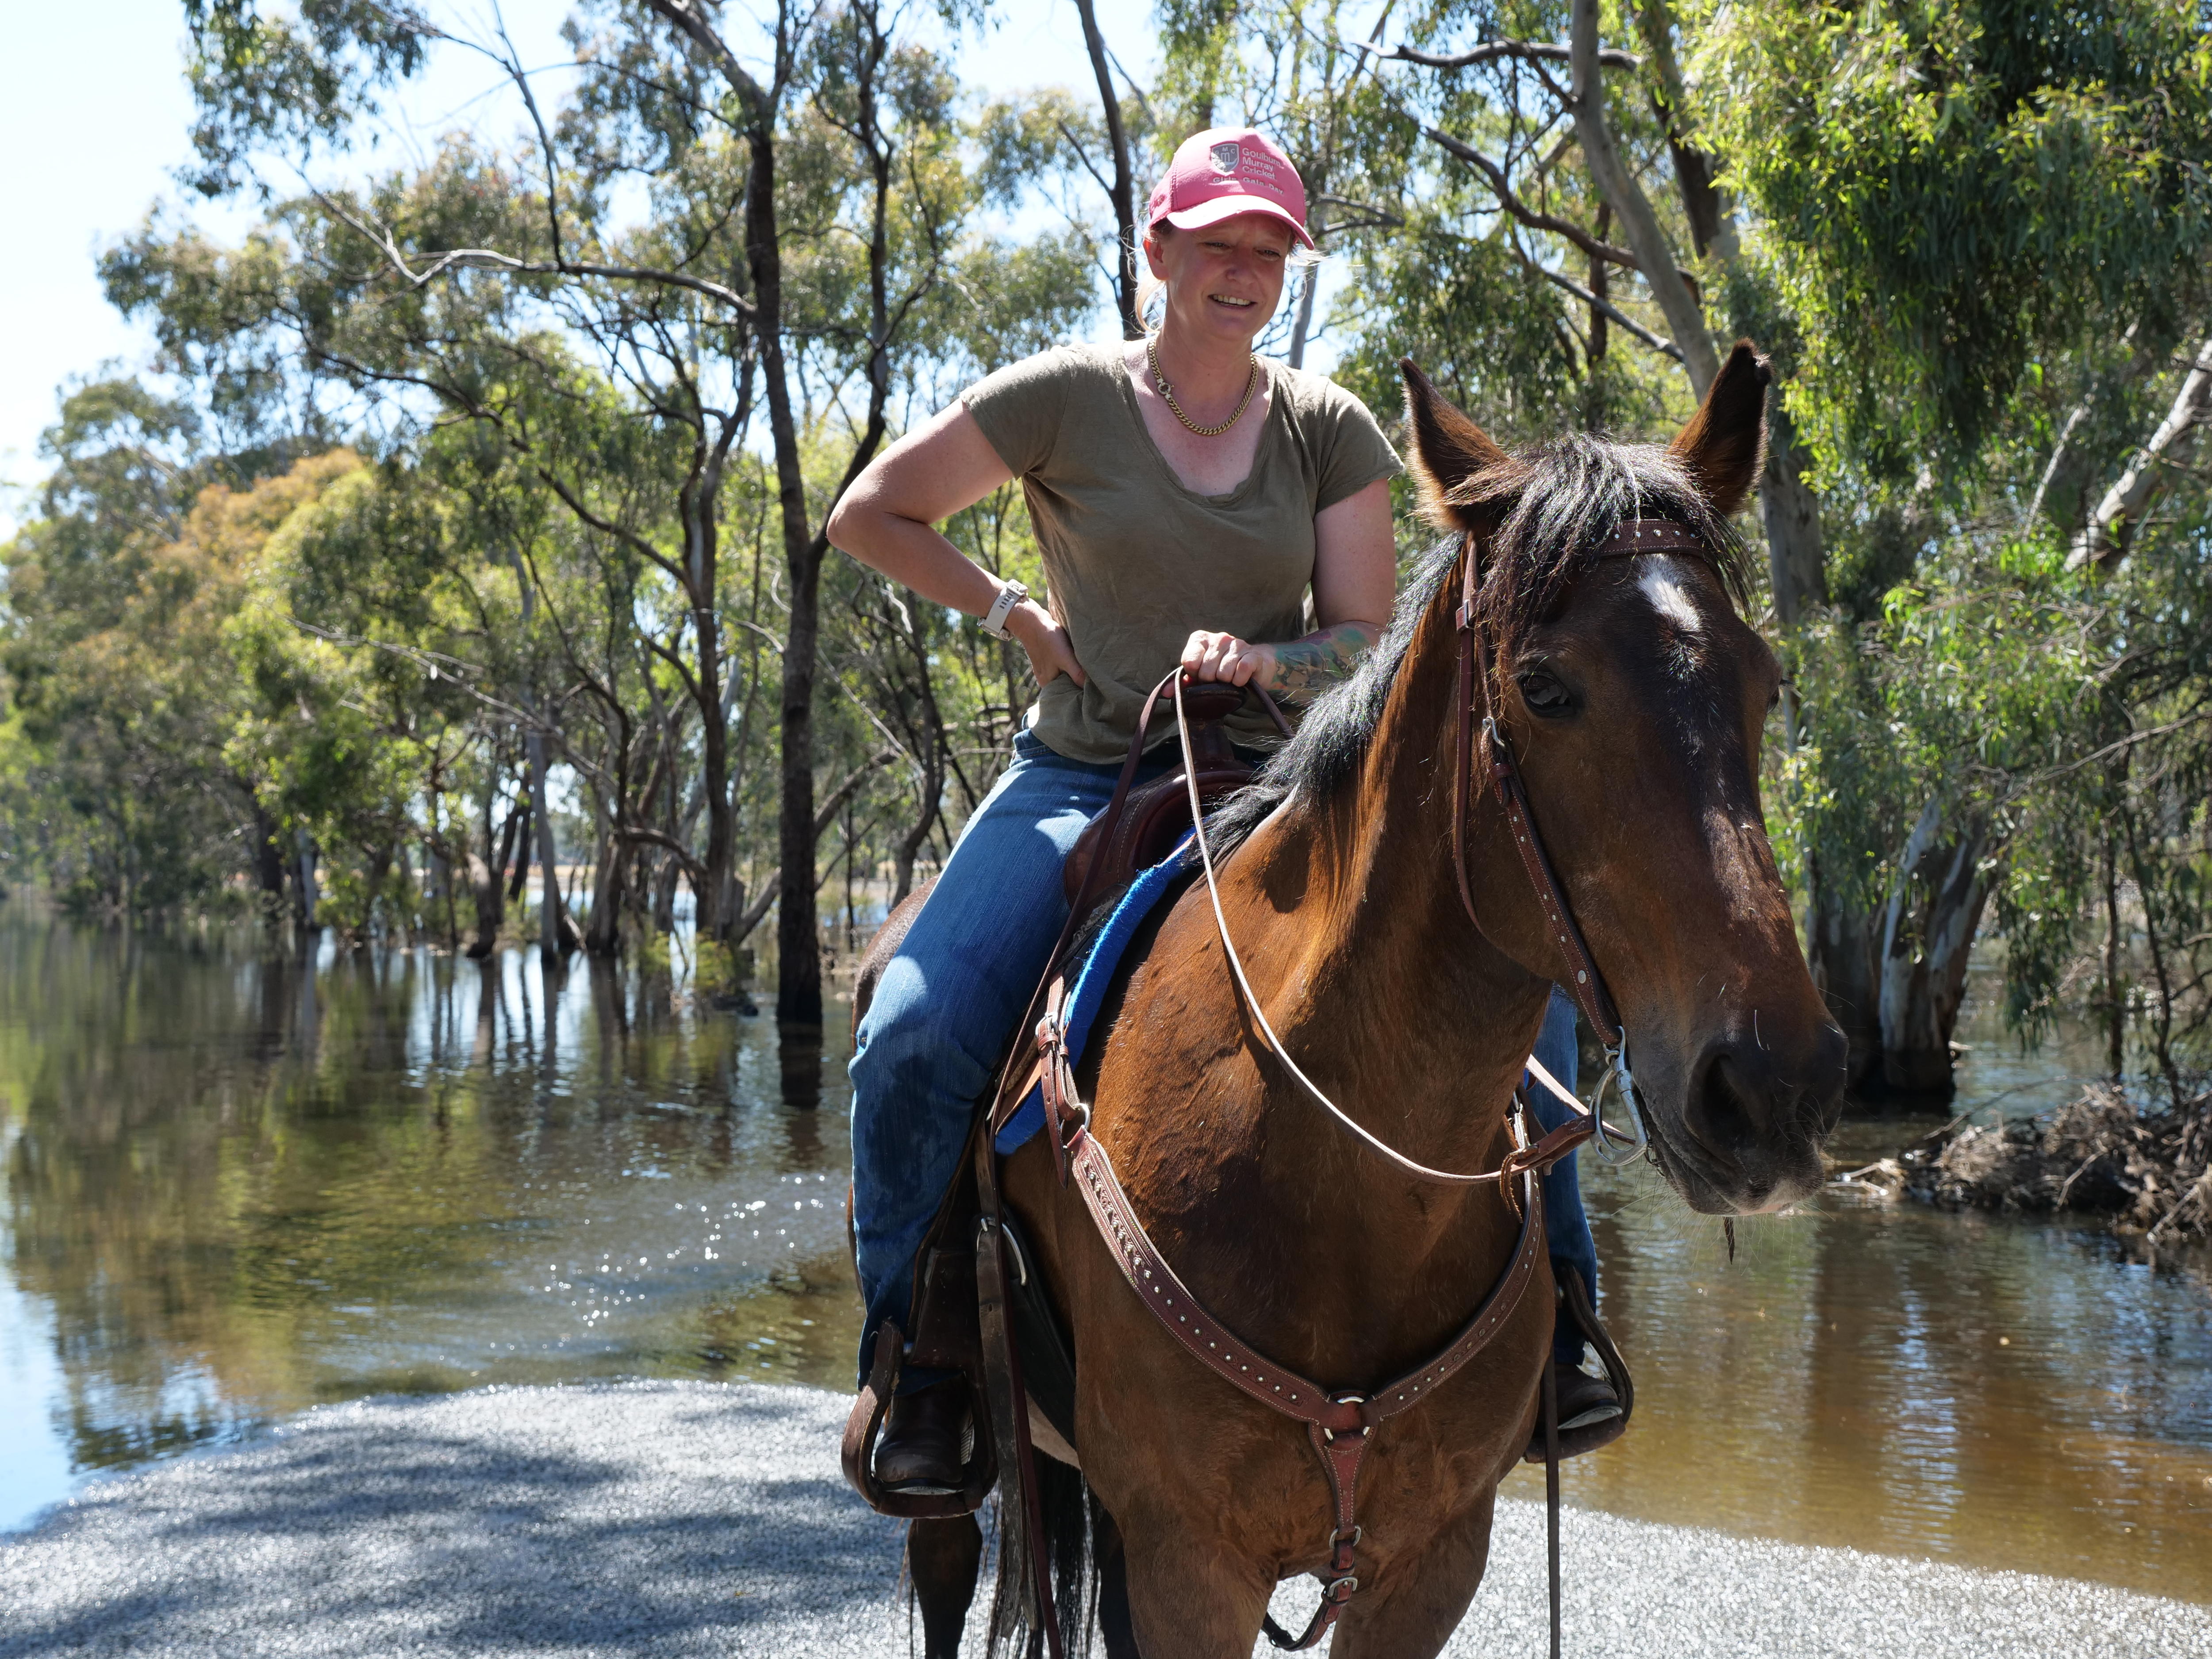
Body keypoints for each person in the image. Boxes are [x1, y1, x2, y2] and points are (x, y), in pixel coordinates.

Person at [826, 127, 1615, 1492]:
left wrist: (1269, 661)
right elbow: (870, 513)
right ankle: (924, 1360)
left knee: (1521, 984)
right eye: (1220, 244)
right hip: (1091, 776)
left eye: (1272, 250)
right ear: (1159, 251)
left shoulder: (1328, 428)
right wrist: (1014, 611)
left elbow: (1367, 634)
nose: (1246, 271)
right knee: (911, 1029)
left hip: (1291, 783)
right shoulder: (1062, 400)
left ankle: (1566, 1321)